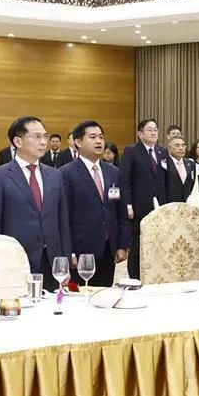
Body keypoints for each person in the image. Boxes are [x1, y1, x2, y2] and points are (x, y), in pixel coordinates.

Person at [0, 116, 71, 291]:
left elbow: (62, 222)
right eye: (36, 137)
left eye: (45, 136)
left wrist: (64, 262)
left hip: (50, 261)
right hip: (14, 262)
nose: (43, 142)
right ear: (17, 141)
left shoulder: (55, 176)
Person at [60, 121, 131, 287]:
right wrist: (68, 251)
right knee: (80, 299)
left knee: (104, 296)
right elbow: (64, 216)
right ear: (78, 142)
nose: (99, 141)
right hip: (81, 250)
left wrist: (122, 245)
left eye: (101, 137)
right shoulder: (66, 173)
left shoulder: (113, 172)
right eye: (92, 137)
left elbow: (121, 212)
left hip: (108, 248)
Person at [120, 118, 168, 279]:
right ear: (140, 134)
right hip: (139, 205)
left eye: (155, 129)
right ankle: (135, 277)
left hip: (159, 205)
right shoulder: (131, 151)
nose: (154, 132)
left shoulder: (162, 152)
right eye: (149, 129)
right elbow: (124, 180)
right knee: (138, 243)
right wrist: (127, 205)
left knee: (157, 242)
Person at [165, 136, 196, 203]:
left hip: (186, 203)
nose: (181, 148)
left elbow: (191, 184)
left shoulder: (191, 164)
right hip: (169, 204)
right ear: (169, 148)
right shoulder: (164, 163)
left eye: (183, 145)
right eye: (177, 145)